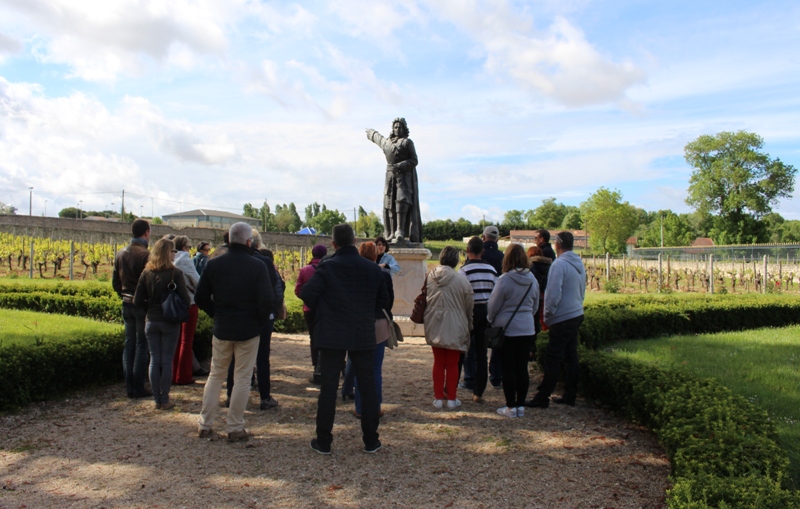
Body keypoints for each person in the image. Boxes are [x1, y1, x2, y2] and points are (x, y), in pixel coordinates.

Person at [300, 224, 389, 455]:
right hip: (362, 331)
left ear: (334, 244)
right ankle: (371, 440)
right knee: (367, 386)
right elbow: (384, 301)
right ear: (354, 241)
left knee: (328, 388)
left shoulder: (328, 267)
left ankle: (324, 441)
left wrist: (327, 308)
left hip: (332, 332)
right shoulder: (372, 269)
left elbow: (307, 293)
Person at [195, 222, 274, 442]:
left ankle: (205, 422)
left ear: (229, 240)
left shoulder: (214, 264)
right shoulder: (257, 266)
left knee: (216, 374)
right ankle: (235, 426)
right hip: (248, 329)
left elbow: (200, 297)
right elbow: (267, 301)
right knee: (242, 377)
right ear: (249, 241)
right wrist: (257, 321)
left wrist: (216, 313)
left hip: (222, 327)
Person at [225, 231, 285, 411]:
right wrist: (270, 312)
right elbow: (273, 289)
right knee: (262, 356)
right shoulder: (265, 262)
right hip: (262, 316)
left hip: (237, 315)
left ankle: (230, 395)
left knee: (234, 357)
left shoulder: (225, 260)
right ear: (255, 244)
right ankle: (265, 397)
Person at [526, 232, 586, 408]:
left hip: (563, 317)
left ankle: (543, 396)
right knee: (570, 356)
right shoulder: (578, 263)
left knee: (553, 358)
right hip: (576, 312)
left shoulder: (559, 265)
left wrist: (548, 315)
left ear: (557, 245)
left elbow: (552, 294)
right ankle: (570, 394)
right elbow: (583, 288)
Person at [133, 238, 191, 409]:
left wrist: (150, 308)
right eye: (173, 251)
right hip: (170, 321)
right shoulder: (175, 273)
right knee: (166, 360)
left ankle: (156, 399)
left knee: (154, 360)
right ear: (168, 253)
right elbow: (186, 300)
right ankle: (164, 398)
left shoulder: (146, 273)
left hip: (151, 320)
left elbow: (137, 300)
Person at [487, 244, 539, 418]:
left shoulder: (504, 280)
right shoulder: (532, 279)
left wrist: (492, 320)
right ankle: (520, 405)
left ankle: (510, 406)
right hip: (526, 327)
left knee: (508, 368)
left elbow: (493, 305)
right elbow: (535, 305)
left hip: (508, 329)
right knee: (522, 368)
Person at [424, 246, 473, 410]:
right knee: (453, 363)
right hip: (455, 322)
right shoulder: (461, 280)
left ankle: (438, 398)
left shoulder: (430, 276)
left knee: (438, 362)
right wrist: (468, 324)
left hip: (434, 321)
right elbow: (469, 306)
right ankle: (451, 398)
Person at [352, 242, 394, 419]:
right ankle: (375, 408)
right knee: (376, 369)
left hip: (357, 323)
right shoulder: (382, 274)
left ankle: (360, 407)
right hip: (378, 322)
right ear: (375, 256)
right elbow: (387, 301)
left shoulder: (351, 274)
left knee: (359, 367)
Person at [112, 218, 152, 399]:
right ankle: (138, 386)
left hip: (126, 302)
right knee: (141, 345)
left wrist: (124, 294)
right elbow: (150, 283)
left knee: (129, 344)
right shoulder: (145, 255)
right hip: (141, 304)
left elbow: (115, 283)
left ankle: (129, 385)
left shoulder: (120, 253)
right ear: (146, 232)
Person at [366, 118, 423, 243]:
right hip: (390, 176)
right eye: (395, 127)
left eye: (399, 127)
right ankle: (391, 232)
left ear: (404, 129)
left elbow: (414, 160)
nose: (397, 129)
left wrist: (401, 165)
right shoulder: (388, 143)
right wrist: (371, 134)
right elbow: (379, 139)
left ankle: (400, 230)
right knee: (390, 203)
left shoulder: (407, 143)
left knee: (402, 200)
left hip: (404, 178)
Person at [457, 236, 497, 402]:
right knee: (482, 353)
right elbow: (495, 294)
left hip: (469, 311)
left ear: (467, 251)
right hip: (485, 311)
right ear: (482, 251)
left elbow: (461, 294)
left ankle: (455, 386)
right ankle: (478, 392)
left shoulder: (464, 271)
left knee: (460, 350)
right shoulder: (492, 270)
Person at [170, 236, 201, 385]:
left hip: (174, 304)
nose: (189, 250)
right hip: (189, 303)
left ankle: (173, 373)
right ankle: (183, 375)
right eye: (189, 247)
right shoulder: (185, 261)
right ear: (184, 247)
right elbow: (198, 282)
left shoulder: (170, 260)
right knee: (186, 342)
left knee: (175, 341)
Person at [295, 244, 328, 385]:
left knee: (313, 338)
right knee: (326, 338)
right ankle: (326, 367)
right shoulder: (328, 269)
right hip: (325, 310)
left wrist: (307, 301)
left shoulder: (305, 270)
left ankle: (316, 367)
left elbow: (298, 290)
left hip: (309, 309)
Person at [478, 225, 503, 389]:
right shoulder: (502, 256)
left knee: (477, 343)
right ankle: (495, 377)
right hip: (498, 302)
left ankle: (474, 378)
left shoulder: (479, 255)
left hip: (479, 303)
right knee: (497, 341)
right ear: (498, 239)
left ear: (483, 237)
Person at [527, 245, 552, 348]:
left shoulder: (531, 266)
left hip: (536, 295)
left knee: (534, 321)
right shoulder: (550, 265)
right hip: (546, 294)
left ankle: (533, 347)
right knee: (543, 322)